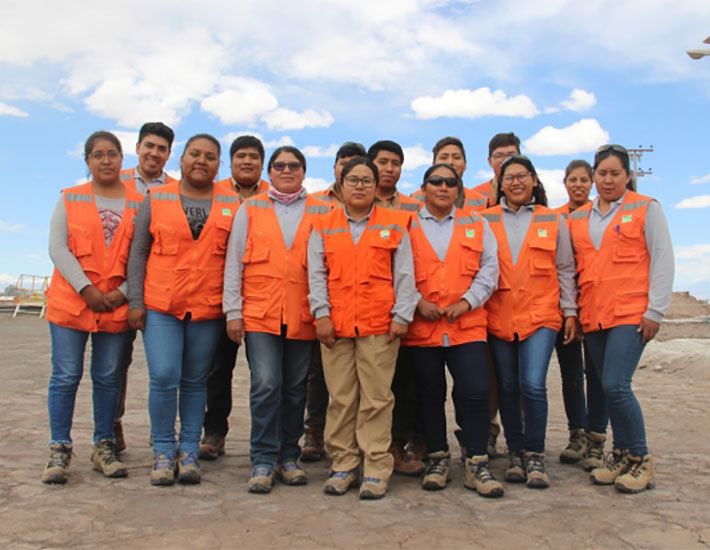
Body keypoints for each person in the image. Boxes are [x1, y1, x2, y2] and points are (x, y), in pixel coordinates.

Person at [127, 134, 238, 486]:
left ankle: (189, 448)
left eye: (209, 156)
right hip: (162, 305)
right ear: (182, 159)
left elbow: (237, 259)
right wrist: (135, 302)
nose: (201, 161)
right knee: (163, 377)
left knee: (194, 380)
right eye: (195, 154)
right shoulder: (156, 197)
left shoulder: (234, 204)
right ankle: (163, 448)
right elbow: (139, 252)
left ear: (219, 165)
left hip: (207, 309)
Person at [308, 156, 417, 499]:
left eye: (366, 181)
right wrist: (321, 315)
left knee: (377, 399)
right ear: (340, 186)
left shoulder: (396, 223)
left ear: (376, 187)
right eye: (352, 180)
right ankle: (343, 464)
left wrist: (401, 316)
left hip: (379, 326)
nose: (359, 186)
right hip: (335, 327)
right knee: (341, 399)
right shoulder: (322, 225)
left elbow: (405, 274)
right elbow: (316, 274)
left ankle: (375, 467)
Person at [223, 145, 330, 494]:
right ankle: (263, 460)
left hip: (303, 315)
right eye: (280, 165)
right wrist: (233, 312)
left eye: (294, 165)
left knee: (296, 388)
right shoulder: (250, 208)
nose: (287, 170)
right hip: (259, 315)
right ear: (270, 171)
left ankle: (289, 456)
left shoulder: (323, 209)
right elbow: (234, 263)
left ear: (303, 171)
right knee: (266, 384)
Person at [569, 144, 673, 494]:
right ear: (594, 176)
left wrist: (655, 310)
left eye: (616, 173)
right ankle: (622, 456)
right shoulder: (579, 217)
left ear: (628, 176)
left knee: (616, 384)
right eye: (602, 173)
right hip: (595, 315)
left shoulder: (646, 208)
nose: (608, 179)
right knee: (606, 386)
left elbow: (662, 259)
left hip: (632, 313)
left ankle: (641, 459)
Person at [42, 131, 141, 484]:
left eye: (112, 154)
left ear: (122, 158)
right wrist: (85, 289)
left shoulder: (138, 202)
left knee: (107, 377)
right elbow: (58, 247)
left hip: (115, 306)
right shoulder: (70, 198)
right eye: (97, 155)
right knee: (66, 376)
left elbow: (142, 254)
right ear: (87, 161)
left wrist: (124, 294)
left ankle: (103, 445)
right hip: (72, 305)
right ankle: (59, 448)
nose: (105, 160)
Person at [403, 163, 503, 498]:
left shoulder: (477, 224)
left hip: (467, 325)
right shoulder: (408, 225)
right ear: (424, 187)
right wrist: (417, 302)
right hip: (423, 327)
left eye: (450, 182)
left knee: (474, 393)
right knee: (429, 396)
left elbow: (490, 268)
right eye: (436, 182)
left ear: (458, 189)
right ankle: (437, 458)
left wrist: (468, 302)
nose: (443, 187)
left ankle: (476, 461)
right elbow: (396, 270)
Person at [483, 155, 578, 489]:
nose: (516, 183)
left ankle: (535, 453)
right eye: (509, 178)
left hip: (541, 315)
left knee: (533, 384)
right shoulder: (484, 219)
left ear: (534, 181)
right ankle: (516, 452)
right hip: (499, 315)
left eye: (522, 176)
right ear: (500, 184)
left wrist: (570, 311)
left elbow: (565, 268)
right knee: (507, 386)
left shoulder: (553, 219)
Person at [199, 135, 269, 461]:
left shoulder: (276, 195)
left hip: (263, 301)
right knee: (217, 370)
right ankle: (214, 432)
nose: (247, 162)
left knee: (266, 376)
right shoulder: (213, 195)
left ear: (262, 162)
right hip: (218, 298)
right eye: (241, 156)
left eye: (254, 157)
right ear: (230, 162)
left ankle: (270, 440)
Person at [301, 141, 367, 463]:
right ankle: (314, 429)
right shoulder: (315, 204)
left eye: (357, 164)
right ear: (335, 168)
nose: (350, 168)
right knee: (319, 373)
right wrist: (320, 310)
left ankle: (367, 444)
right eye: (344, 163)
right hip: (323, 304)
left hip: (367, 311)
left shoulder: (376, 204)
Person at [113, 121, 176, 453]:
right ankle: (112, 424)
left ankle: (162, 430)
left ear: (169, 154)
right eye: (149, 146)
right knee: (116, 363)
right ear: (137, 147)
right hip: (116, 289)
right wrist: (126, 291)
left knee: (165, 369)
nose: (155, 153)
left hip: (159, 293)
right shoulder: (114, 181)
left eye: (162, 148)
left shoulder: (178, 189)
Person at [366, 140, 426, 475]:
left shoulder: (413, 208)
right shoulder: (356, 203)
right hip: (364, 312)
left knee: (402, 383)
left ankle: (397, 445)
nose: (389, 169)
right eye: (383, 162)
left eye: (395, 163)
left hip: (405, 311)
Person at [553, 160, 608, 470]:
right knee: (571, 375)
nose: (578, 185)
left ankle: (597, 439)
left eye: (583, 179)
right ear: (565, 183)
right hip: (565, 309)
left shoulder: (599, 216)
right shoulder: (555, 217)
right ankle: (578, 435)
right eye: (572, 179)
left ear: (591, 183)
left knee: (598, 376)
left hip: (598, 305)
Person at [411, 137, 487, 214]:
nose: (450, 162)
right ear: (433, 165)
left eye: (456, 157)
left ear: (465, 165)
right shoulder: (414, 199)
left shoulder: (482, 202)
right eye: (443, 157)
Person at [472, 132, 521, 208]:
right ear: (490, 161)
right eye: (499, 156)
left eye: (511, 155)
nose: (505, 160)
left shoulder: (531, 191)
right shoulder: (475, 194)